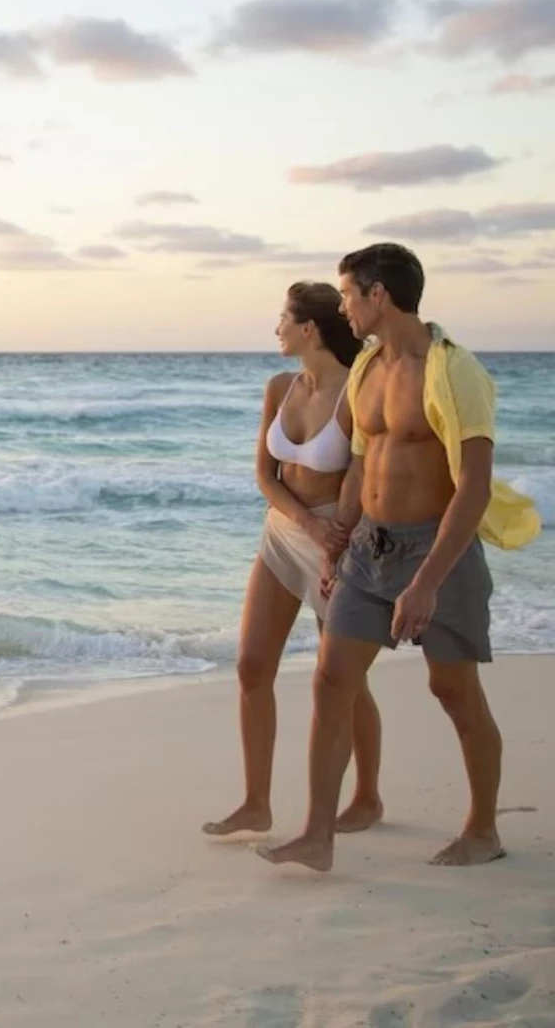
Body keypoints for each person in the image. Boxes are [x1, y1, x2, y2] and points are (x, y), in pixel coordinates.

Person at [261, 243, 541, 872]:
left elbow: (471, 484)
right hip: (370, 546)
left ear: (378, 295)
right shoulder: (365, 371)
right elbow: (363, 463)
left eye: (348, 296)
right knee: (332, 679)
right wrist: (342, 541)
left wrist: (428, 583)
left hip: (436, 547)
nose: (343, 309)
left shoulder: (454, 370)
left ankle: (482, 829)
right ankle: (317, 836)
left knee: (453, 689)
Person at [204, 283, 383, 838]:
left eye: (282, 318)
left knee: (342, 682)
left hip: (340, 542)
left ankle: (368, 797)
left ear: (309, 328)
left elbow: (366, 477)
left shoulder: (359, 391)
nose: (276, 327)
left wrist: (337, 539)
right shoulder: (279, 387)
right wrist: (303, 522)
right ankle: (256, 803)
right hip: (284, 534)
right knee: (252, 667)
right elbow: (265, 475)